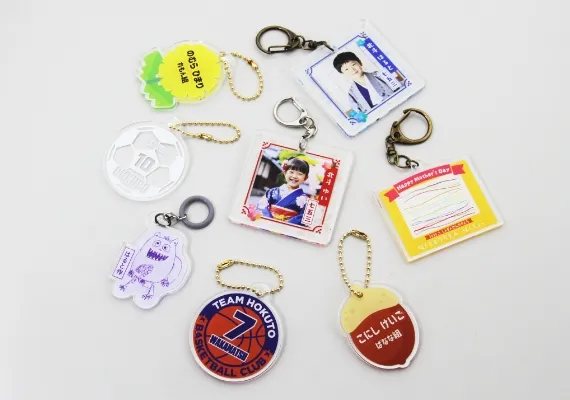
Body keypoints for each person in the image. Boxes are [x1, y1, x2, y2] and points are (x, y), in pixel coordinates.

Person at [332, 51, 399, 113]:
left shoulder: (380, 75)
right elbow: (358, 112)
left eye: (353, 64)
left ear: (360, 63)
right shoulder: (351, 93)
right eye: (346, 69)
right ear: (343, 73)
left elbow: (399, 87)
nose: (352, 69)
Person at [257, 157, 310, 226]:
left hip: (287, 229)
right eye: (291, 172)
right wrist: (270, 221)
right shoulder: (272, 192)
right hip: (267, 225)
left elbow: (304, 218)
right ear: (285, 173)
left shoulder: (305, 200)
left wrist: (284, 225)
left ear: (305, 178)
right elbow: (261, 205)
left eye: (299, 174)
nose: (294, 176)